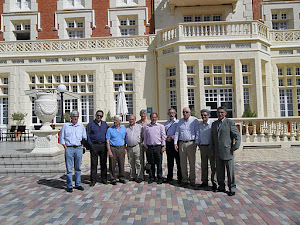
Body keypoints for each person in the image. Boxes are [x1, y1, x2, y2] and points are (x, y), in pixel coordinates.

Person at [211, 106, 241, 196]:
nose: (220, 114)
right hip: (218, 151)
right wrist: (212, 149)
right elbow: (212, 138)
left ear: (225, 113)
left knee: (230, 171)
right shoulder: (214, 124)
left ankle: (232, 188)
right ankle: (221, 186)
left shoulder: (230, 123)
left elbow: (237, 136)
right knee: (219, 171)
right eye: (218, 112)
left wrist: (236, 146)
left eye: (222, 112)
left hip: (228, 151)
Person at [59, 111, 87, 193]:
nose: (76, 118)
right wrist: (65, 146)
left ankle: (78, 184)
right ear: (71, 117)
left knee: (78, 168)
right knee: (69, 168)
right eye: (74, 116)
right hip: (69, 148)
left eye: (77, 116)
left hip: (78, 148)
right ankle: (69, 185)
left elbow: (84, 137)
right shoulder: (66, 126)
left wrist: (82, 146)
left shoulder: (81, 126)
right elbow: (61, 137)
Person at [174, 107, 200, 187]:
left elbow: (197, 132)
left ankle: (192, 179)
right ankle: (184, 179)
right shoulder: (180, 121)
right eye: (183, 112)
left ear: (190, 113)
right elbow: (177, 132)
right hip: (181, 143)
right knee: (183, 163)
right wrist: (175, 143)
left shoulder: (194, 120)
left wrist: (197, 143)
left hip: (191, 143)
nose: (185, 113)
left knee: (192, 163)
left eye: (186, 112)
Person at [86, 110, 108, 186]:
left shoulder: (104, 124)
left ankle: (104, 178)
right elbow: (87, 135)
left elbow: (108, 134)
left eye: (101, 116)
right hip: (94, 145)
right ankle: (93, 179)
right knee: (94, 163)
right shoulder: (90, 124)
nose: (99, 117)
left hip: (103, 145)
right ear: (95, 115)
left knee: (103, 163)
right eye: (98, 115)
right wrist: (90, 144)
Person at [143, 112, 166, 184]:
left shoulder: (160, 126)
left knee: (159, 164)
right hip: (149, 147)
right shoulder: (147, 127)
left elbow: (163, 137)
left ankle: (159, 177)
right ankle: (151, 177)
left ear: (157, 118)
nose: (154, 119)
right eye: (152, 117)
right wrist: (145, 146)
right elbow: (145, 138)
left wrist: (163, 146)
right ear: (150, 118)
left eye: (155, 117)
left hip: (158, 147)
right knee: (151, 163)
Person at [198, 109, 217, 191]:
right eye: (202, 115)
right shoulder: (200, 125)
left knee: (213, 166)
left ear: (209, 115)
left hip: (211, 147)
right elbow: (198, 135)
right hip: (203, 147)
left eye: (205, 115)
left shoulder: (212, 124)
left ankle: (214, 183)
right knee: (204, 166)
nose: (203, 117)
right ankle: (204, 181)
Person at [106, 115, 127, 185]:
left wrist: (125, 148)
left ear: (120, 121)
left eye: (116, 120)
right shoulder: (110, 129)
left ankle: (121, 177)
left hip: (121, 147)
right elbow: (107, 141)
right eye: (114, 120)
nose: (114, 121)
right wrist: (109, 151)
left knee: (121, 163)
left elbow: (125, 139)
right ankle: (112, 178)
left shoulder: (123, 129)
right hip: (113, 148)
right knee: (112, 163)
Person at [164, 108, 181, 184]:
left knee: (178, 161)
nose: (171, 114)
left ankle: (180, 177)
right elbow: (163, 133)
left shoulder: (178, 122)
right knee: (170, 161)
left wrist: (173, 137)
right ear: (168, 114)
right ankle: (169, 177)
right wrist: (166, 138)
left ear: (175, 113)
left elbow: (180, 133)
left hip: (176, 143)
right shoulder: (166, 123)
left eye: (173, 113)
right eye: (170, 113)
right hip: (168, 144)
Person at [125, 115, 143, 183]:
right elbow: (124, 138)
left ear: (135, 120)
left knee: (138, 162)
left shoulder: (139, 127)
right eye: (130, 119)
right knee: (131, 162)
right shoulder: (126, 128)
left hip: (137, 146)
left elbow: (143, 136)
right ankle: (132, 175)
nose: (131, 120)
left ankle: (140, 176)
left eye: (132, 119)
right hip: (129, 147)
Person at [136, 109, 150, 179]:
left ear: (146, 115)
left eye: (144, 114)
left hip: (147, 143)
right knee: (140, 160)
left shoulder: (149, 123)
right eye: (142, 114)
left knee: (149, 159)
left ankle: (150, 173)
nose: (143, 115)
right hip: (140, 143)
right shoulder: (137, 123)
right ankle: (141, 175)